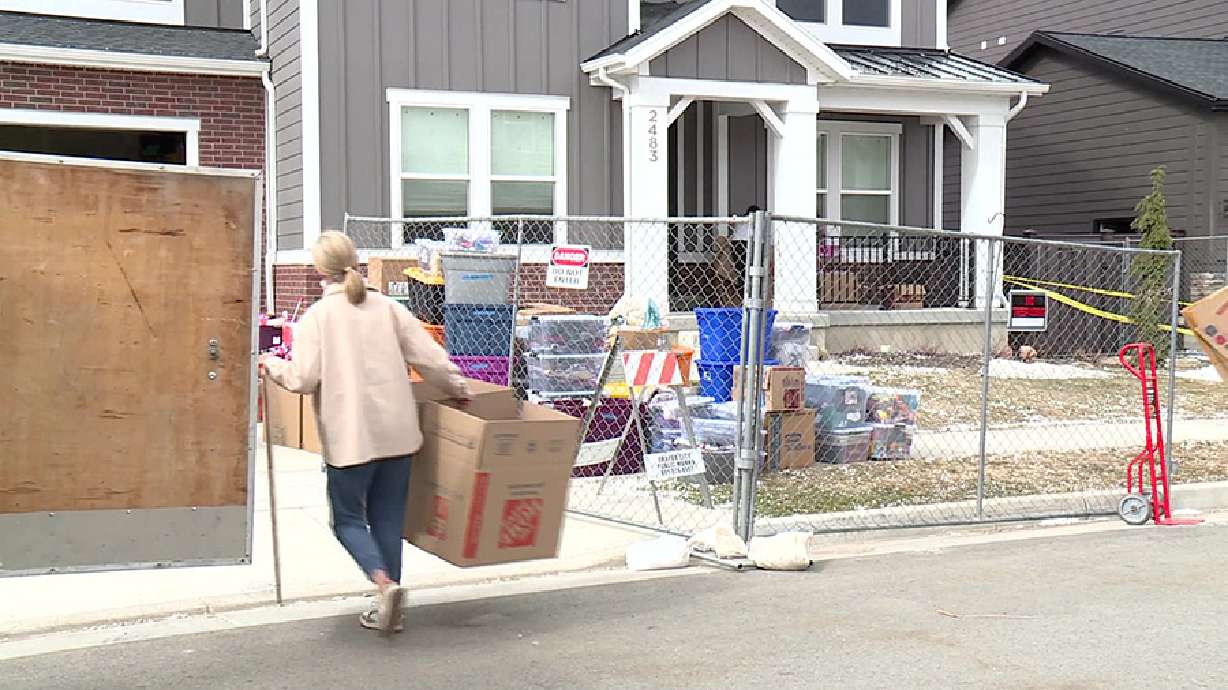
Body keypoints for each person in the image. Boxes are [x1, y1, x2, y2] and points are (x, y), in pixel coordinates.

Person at [261, 231, 469, 634]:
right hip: (398, 434)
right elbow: (431, 360)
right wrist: (459, 390)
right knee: (387, 519)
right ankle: (390, 600)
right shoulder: (389, 309)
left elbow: (303, 379)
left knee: (347, 521)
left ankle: (383, 584)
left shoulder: (317, 318)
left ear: (319, 270)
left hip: (349, 440)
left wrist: (271, 365)